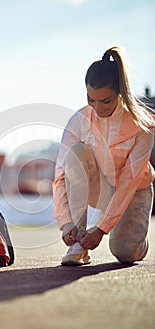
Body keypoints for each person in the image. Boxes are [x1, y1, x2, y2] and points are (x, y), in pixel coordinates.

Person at [53, 46, 155, 266]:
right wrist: (66, 223)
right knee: (76, 153)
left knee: (126, 254)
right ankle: (78, 246)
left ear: (120, 93)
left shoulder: (143, 126)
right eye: (91, 99)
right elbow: (61, 175)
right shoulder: (79, 120)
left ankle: (138, 239)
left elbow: (129, 182)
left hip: (134, 191)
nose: (97, 108)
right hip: (102, 187)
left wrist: (101, 228)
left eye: (106, 101)